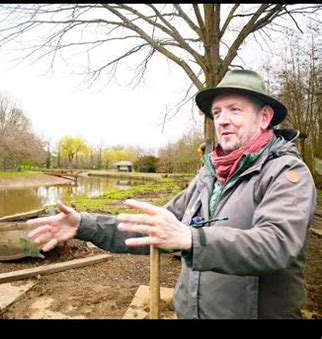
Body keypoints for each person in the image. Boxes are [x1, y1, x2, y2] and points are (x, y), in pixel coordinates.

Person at [26, 69, 316, 319]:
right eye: (217, 112)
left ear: (264, 117)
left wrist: (192, 238)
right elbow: (157, 229)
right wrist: (83, 224)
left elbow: (277, 244)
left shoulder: (287, 173)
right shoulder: (208, 176)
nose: (223, 120)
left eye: (234, 110)